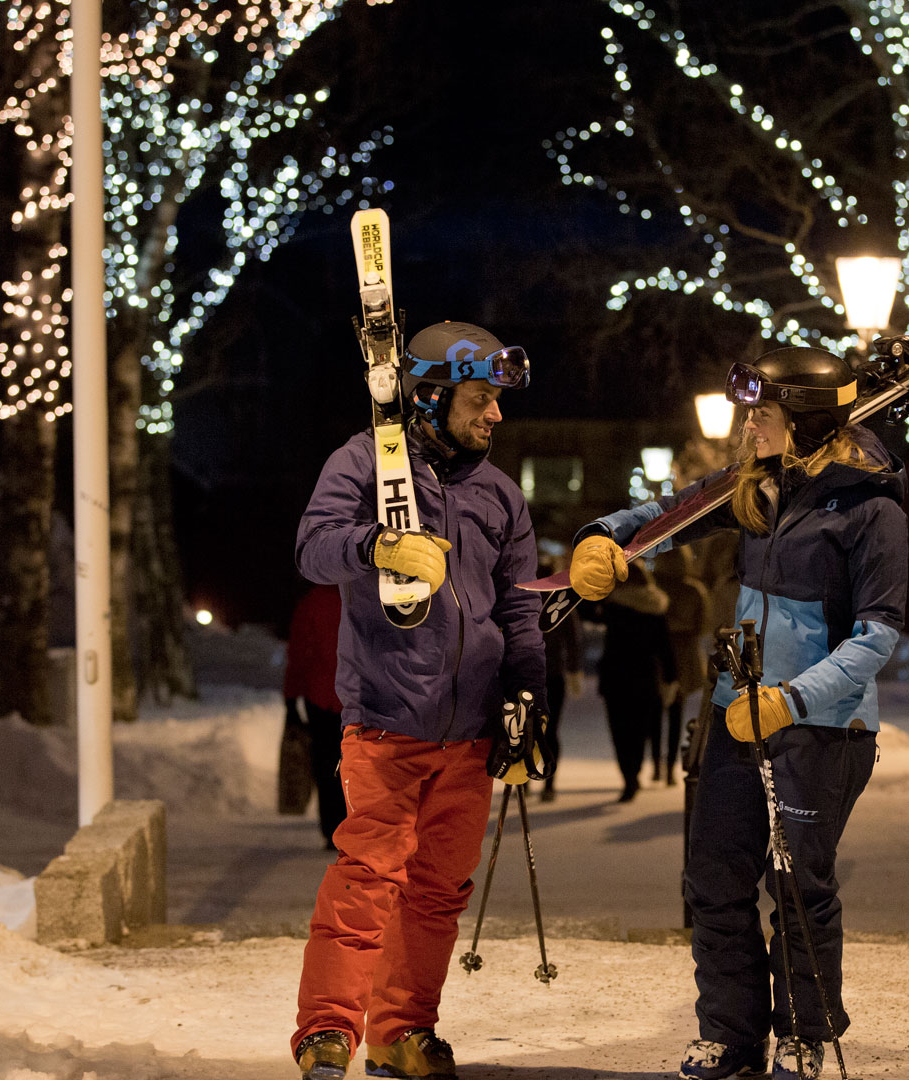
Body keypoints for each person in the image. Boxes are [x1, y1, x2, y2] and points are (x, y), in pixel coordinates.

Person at [568, 345, 908, 1080]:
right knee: (713, 881)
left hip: (821, 726)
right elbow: (668, 512)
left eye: (763, 413)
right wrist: (604, 537)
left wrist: (791, 699)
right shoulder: (758, 487)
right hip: (736, 714)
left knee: (797, 885)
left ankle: (803, 1035)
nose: (748, 425)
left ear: (808, 420)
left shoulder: (870, 509)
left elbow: (877, 634)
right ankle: (730, 1033)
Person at [289, 321, 549, 1080]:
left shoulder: (501, 494)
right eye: (479, 400)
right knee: (368, 878)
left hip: (469, 732)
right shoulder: (365, 461)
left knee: (437, 891)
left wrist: (527, 695)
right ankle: (327, 1031)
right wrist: (374, 544)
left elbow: (520, 610)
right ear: (430, 397)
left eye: (498, 401)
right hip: (387, 716)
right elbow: (312, 546)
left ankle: (401, 1030)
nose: (494, 416)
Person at [588, 564, 676, 802]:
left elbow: (585, 611)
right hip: (644, 677)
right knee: (639, 730)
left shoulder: (613, 606)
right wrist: (670, 678)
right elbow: (664, 647)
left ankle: (628, 776)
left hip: (615, 676)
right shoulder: (655, 607)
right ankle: (634, 771)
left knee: (619, 730)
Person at [285, 580, 348, 848]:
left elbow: (299, 653)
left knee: (326, 765)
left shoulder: (311, 602)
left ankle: (332, 829)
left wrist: (291, 700)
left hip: (320, 697)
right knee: (358, 764)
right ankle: (356, 826)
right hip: (358, 698)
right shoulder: (360, 596)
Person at [656, 546, 711, 785]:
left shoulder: (656, 586)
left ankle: (657, 763)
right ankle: (669, 767)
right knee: (677, 712)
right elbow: (704, 624)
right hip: (686, 654)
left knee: (655, 710)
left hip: (660, 652)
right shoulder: (694, 590)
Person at [540, 555, 584, 803]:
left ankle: (524, 781)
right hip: (553, 672)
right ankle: (549, 782)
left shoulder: (523, 598)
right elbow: (574, 639)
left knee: (525, 728)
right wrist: (575, 670)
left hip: (528, 674)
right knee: (551, 730)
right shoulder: (561, 600)